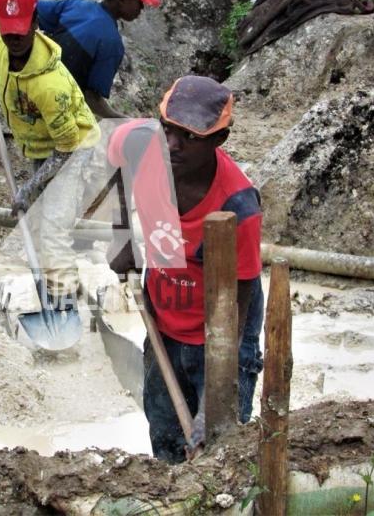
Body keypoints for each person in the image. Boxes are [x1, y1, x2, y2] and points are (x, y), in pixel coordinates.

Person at [106, 75, 264, 463]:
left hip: (222, 326)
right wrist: (122, 234)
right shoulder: (138, 145)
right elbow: (116, 165)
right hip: (165, 314)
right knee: (166, 437)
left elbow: (236, 309)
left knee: (220, 448)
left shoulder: (237, 208)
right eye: (168, 130)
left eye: (189, 137)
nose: (172, 145)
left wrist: (214, 400)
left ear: (218, 140)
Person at [0, 0, 102, 311]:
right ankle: (53, 285)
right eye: (8, 32)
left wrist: (29, 187)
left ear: (35, 23)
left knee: (53, 230)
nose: (14, 40)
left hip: (73, 149)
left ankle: (63, 307)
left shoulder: (50, 85)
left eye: (21, 31)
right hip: (39, 144)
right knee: (39, 217)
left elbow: (66, 148)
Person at [36, 0, 161, 120]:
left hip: (33, 84)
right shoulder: (112, 44)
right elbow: (91, 98)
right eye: (139, 2)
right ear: (122, 0)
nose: (142, 8)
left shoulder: (76, 4)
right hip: (54, 108)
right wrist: (122, 119)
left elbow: (33, 9)